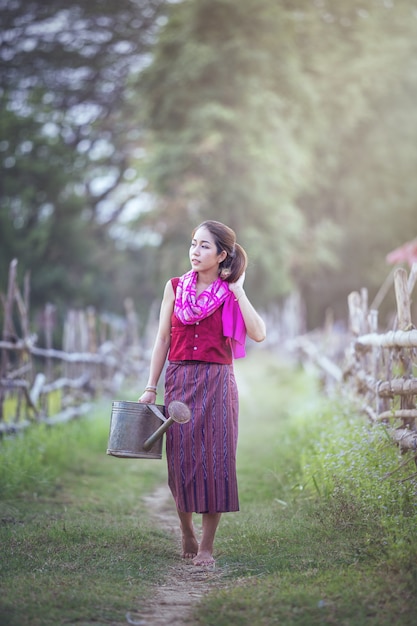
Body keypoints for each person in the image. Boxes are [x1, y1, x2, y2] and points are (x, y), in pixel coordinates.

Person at [138, 220, 266, 567]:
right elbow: (162, 339)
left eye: (204, 246)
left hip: (218, 383)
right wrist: (151, 387)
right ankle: (186, 530)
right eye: (193, 244)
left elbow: (259, 333)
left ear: (222, 254)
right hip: (179, 379)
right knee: (181, 462)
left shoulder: (229, 293)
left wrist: (238, 289)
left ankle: (207, 546)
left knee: (217, 463)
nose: (195, 251)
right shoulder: (175, 287)